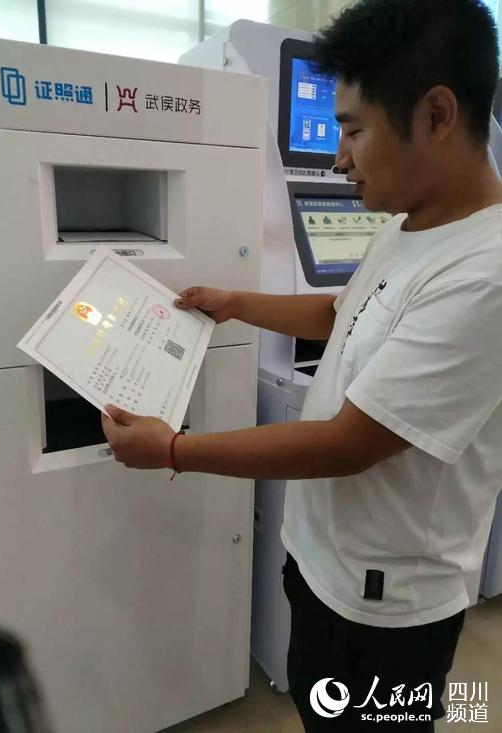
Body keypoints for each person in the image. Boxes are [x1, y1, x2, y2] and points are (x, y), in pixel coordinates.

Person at [102, 0, 502, 729]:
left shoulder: (486, 273)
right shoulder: (409, 224)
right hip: (319, 565)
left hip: (386, 613)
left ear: (437, 115)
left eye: (354, 130)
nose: (339, 157)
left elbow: (348, 443)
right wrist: (234, 302)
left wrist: (173, 450)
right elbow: (336, 313)